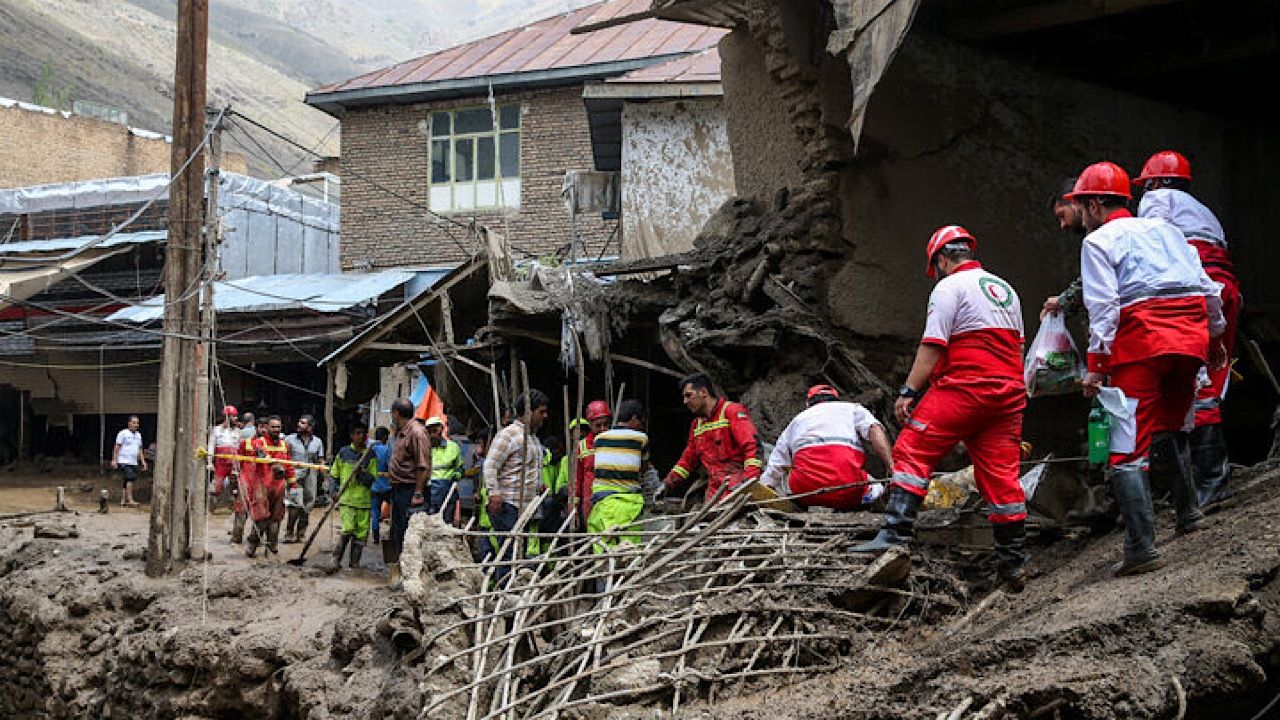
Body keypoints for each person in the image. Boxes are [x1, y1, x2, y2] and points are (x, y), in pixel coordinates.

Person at [1068, 161, 1225, 576]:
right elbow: (1207, 286)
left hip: (1143, 344)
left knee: (1126, 450)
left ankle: (1141, 546)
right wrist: (1215, 338)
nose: (1081, 217)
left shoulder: (1099, 241)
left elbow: (1103, 307)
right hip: (1190, 338)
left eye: (1081, 208)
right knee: (1171, 428)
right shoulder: (1169, 232)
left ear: (1096, 204)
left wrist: (1097, 366)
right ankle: (1189, 513)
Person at [854, 225, 1030, 592]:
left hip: (966, 387)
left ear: (942, 260)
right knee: (1001, 476)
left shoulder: (949, 287)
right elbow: (1018, 348)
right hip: (1009, 393)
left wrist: (909, 391)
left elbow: (933, 345)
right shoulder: (1006, 290)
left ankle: (895, 536)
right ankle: (1014, 563)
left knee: (912, 449)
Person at [1134, 150, 1240, 505]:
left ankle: (1210, 480)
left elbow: (1154, 244)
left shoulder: (1157, 201)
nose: (1144, 190)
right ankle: (1206, 478)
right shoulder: (1203, 210)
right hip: (1225, 289)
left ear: (1159, 181)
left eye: (1147, 183)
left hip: (1197, 289)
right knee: (1211, 376)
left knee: (1193, 383)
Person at [761, 385, 893, 510]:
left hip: (805, 493)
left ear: (808, 404)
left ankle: (800, 510)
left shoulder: (797, 420)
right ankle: (861, 510)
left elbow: (777, 464)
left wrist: (765, 488)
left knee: (785, 475)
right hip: (848, 491)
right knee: (877, 487)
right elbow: (875, 430)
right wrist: (891, 466)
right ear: (836, 399)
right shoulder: (852, 409)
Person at [479, 390, 548, 583]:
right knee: (509, 555)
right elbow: (490, 465)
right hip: (508, 505)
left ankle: (510, 593)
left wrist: (538, 485)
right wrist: (494, 493)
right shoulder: (509, 435)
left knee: (518, 554)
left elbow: (524, 468)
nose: (545, 416)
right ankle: (504, 596)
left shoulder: (532, 438)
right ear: (528, 412)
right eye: (541, 412)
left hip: (524, 508)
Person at [663, 374, 763, 503]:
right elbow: (687, 460)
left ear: (703, 392)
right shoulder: (697, 425)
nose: (685, 402)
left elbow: (753, 446)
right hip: (714, 490)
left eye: (689, 395)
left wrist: (749, 482)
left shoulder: (731, 411)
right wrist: (668, 483)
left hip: (737, 486)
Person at [587, 400, 651, 554]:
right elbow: (644, 468)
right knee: (629, 556)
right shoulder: (641, 438)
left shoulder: (599, 439)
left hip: (602, 504)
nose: (642, 425)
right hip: (629, 505)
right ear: (634, 418)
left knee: (603, 555)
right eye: (641, 421)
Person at [385, 399, 431, 585]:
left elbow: (423, 466)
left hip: (411, 489)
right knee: (397, 530)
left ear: (396, 413)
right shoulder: (402, 433)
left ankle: (411, 575)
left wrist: (418, 493)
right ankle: (400, 571)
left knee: (409, 533)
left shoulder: (417, 433)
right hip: (398, 488)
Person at [329, 424, 379, 572]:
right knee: (348, 528)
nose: (361, 436)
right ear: (352, 436)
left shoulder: (370, 455)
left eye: (363, 433)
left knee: (362, 532)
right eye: (357, 433)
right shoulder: (344, 453)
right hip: (347, 499)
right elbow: (334, 475)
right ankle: (336, 560)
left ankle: (354, 562)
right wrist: (333, 492)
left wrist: (361, 473)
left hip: (364, 501)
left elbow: (372, 479)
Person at [1040, 177, 1088, 319]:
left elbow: (1091, 282)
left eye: (1062, 215)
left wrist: (1062, 302)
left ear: (1075, 203)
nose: (1063, 225)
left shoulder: (1104, 236)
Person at [245, 416, 291, 558]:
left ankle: (272, 548)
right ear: (267, 428)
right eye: (273, 427)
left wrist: (293, 484)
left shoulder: (284, 445)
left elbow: (289, 465)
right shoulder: (260, 442)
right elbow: (259, 453)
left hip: (279, 487)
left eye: (278, 427)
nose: (276, 430)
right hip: (262, 486)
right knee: (261, 517)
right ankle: (252, 545)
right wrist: (269, 460)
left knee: (276, 519)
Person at [283, 416, 325, 544]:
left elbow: (320, 459)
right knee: (295, 504)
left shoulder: (317, 442)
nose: (299, 424)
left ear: (310, 427)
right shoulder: (289, 439)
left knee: (308, 504)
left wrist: (324, 478)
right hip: (294, 476)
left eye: (303, 423)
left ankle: (301, 533)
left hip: (311, 476)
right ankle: (289, 533)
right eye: (299, 421)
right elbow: (283, 455)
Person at [572, 401, 611, 528]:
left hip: (611, 499)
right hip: (589, 501)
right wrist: (574, 508)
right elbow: (577, 480)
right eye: (598, 425)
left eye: (606, 424)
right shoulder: (582, 446)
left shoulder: (615, 442)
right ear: (590, 424)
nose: (602, 429)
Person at [230, 417, 267, 544]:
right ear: (256, 428)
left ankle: (256, 539)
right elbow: (237, 460)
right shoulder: (245, 443)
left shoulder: (275, 445)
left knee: (261, 511)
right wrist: (235, 476)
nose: (264, 430)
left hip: (262, 482)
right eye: (261, 427)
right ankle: (236, 537)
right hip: (246, 479)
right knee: (241, 508)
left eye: (266, 427)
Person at [425, 416, 463, 515]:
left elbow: (459, 468)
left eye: (435, 430)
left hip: (447, 491)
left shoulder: (453, 447)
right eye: (430, 430)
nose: (432, 433)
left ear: (441, 429)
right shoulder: (424, 449)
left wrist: (456, 476)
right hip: (429, 491)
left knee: (446, 522)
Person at [207, 405, 241, 505]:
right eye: (233, 416)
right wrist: (210, 462)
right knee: (217, 485)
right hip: (220, 462)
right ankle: (214, 504)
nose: (236, 418)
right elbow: (211, 446)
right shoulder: (216, 430)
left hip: (234, 461)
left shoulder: (238, 431)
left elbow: (240, 448)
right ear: (227, 416)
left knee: (235, 483)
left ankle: (231, 504)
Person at [111, 416, 147, 506]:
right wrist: (114, 460)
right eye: (134, 423)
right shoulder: (123, 433)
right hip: (124, 460)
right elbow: (117, 447)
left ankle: (123, 500)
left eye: (137, 423)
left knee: (127, 480)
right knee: (130, 478)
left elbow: (140, 449)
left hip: (133, 461)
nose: (136, 425)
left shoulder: (138, 435)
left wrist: (143, 461)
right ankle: (129, 499)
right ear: (129, 423)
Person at [368, 426, 392, 545]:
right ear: (384, 437)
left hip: (374, 486)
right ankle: (393, 535)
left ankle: (376, 537)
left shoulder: (370, 449)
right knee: (394, 511)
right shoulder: (387, 450)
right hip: (387, 486)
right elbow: (390, 466)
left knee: (375, 512)